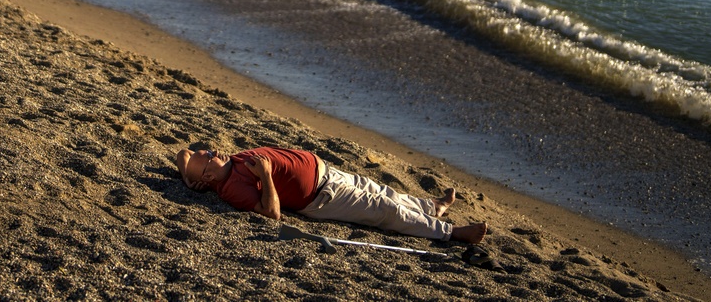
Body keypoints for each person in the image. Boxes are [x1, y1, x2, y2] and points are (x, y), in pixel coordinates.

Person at [176, 145, 488, 244]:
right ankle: (453, 234)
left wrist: (188, 181)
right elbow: (271, 213)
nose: (210, 149)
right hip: (322, 197)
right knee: (386, 211)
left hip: (325, 173)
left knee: (385, 192)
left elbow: (182, 154)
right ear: (208, 175)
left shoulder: (226, 165)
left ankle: (431, 207)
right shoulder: (232, 188)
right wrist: (267, 176)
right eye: (207, 155)